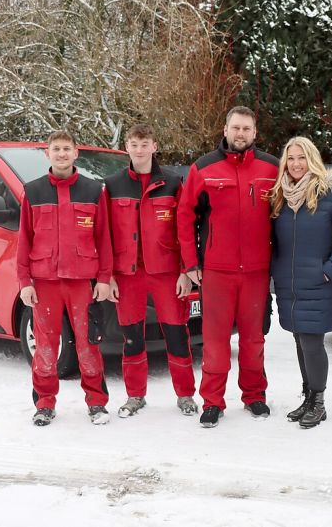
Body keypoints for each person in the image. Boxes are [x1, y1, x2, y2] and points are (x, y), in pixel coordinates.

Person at [176, 106, 279, 428]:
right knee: (215, 338)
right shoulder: (204, 168)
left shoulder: (272, 168)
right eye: (236, 128)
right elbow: (184, 216)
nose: (240, 134)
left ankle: (254, 395)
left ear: (255, 133)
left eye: (246, 129)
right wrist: (190, 263)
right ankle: (212, 401)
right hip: (216, 270)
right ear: (225, 129)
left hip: (257, 271)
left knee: (253, 338)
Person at [17, 130, 113, 426]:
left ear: (76, 153)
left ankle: (97, 402)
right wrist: (24, 282)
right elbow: (24, 240)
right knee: (46, 346)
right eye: (56, 149)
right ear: (47, 153)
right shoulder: (32, 191)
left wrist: (104, 278)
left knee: (88, 345)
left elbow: (104, 238)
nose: (61, 154)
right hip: (45, 283)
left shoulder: (93, 190)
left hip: (82, 282)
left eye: (66, 149)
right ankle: (45, 403)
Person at [103, 124, 198, 419]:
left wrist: (185, 270)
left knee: (176, 332)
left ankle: (185, 395)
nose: (139, 149)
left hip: (167, 272)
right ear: (127, 148)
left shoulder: (172, 182)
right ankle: (135, 396)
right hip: (127, 273)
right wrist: (108, 276)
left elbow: (185, 229)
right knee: (132, 336)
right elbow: (104, 234)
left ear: (154, 147)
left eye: (145, 144)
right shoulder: (113, 184)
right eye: (134, 144)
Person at [269, 136, 332, 429]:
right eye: (290, 158)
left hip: (319, 281)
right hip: (288, 283)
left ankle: (318, 402)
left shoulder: (330, 194)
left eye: (301, 158)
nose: (295, 164)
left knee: (311, 341)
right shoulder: (281, 194)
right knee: (298, 338)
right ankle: (307, 397)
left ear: (312, 159)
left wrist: (328, 270)